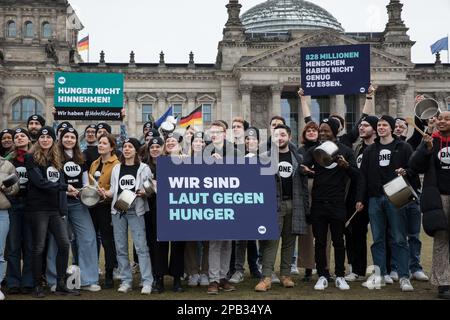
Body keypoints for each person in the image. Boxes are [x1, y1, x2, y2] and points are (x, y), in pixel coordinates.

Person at [356, 115, 417, 292]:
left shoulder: (403, 147)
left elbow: (414, 168)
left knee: (399, 237)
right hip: (375, 197)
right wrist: (360, 199)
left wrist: (405, 171)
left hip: (397, 193)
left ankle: (404, 276)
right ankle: (380, 274)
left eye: (385, 125)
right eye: (380, 125)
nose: (382, 127)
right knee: (377, 238)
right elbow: (363, 177)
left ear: (391, 128)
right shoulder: (369, 150)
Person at [302, 118, 358, 291]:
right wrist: (305, 169)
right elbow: (301, 166)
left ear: (335, 132)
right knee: (319, 241)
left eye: (326, 131)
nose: (323, 133)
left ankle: (340, 275)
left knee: (338, 241)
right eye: (321, 131)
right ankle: (322, 275)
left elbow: (356, 175)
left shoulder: (346, 151)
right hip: (318, 202)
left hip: (337, 203)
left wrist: (346, 167)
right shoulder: (314, 150)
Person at [24, 126, 79, 298]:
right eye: (42, 137)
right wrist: (64, 187)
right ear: (38, 139)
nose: (45, 140)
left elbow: (59, 184)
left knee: (64, 244)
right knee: (38, 247)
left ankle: (61, 283)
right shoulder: (30, 157)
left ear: (53, 140)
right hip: (38, 209)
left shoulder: (57, 159)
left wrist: (65, 196)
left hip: (55, 209)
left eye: (48, 137)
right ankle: (37, 285)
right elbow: (39, 183)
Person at [255, 124, 309, 292]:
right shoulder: (264, 157)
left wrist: (306, 207)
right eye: (277, 135)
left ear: (289, 137)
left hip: (294, 204)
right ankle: (266, 278)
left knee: (289, 242)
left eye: (283, 135)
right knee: (271, 242)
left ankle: (286, 275)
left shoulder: (298, 157)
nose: (280, 138)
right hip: (273, 205)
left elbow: (304, 185)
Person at [46, 127, 100, 292]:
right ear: (61, 139)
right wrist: (65, 188)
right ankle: (55, 280)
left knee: (88, 238)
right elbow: (51, 179)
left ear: (77, 140)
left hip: (78, 203)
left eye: (72, 137)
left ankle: (87, 279)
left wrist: (85, 190)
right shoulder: (53, 157)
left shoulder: (80, 157)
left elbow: (85, 181)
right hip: (59, 203)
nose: (69, 139)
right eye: (66, 136)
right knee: (57, 241)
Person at [99, 138, 154, 295]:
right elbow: (114, 191)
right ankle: (126, 280)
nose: (127, 149)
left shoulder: (144, 168)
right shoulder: (117, 168)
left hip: (136, 211)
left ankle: (147, 281)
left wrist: (144, 192)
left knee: (141, 247)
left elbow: (151, 190)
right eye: (125, 147)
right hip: (119, 211)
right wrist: (104, 193)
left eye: (130, 147)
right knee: (121, 248)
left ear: (136, 150)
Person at [409, 111, 450, 299]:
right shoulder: (430, 140)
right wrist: (425, 148)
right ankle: (443, 283)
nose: (442, 121)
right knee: (441, 240)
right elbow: (415, 166)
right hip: (438, 198)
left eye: (446, 119)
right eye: (440, 118)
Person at [344, 115, 378, 282]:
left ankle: (387, 270)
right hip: (358, 196)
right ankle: (357, 269)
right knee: (356, 234)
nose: (361, 128)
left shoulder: (381, 148)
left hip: (377, 195)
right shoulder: (357, 148)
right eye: (360, 125)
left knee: (384, 234)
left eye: (365, 125)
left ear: (374, 128)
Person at [152, 133, 186, 293]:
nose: (171, 142)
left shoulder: (187, 161)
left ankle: (177, 279)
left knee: (179, 245)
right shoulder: (160, 162)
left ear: (180, 145)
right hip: (163, 207)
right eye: (168, 141)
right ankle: (159, 279)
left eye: (174, 141)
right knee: (161, 245)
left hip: (181, 208)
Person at [89, 134, 120, 289]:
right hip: (93, 206)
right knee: (91, 239)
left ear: (112, 147)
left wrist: (106, 192)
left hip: (107, 207)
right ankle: (92, 272)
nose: (100, 145)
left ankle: (109, 273)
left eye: (104, 143)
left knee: (108, 241)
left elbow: (117, 187)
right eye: (99, 143)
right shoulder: (94, 163)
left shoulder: (116, 164)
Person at [5, 129, 34, 294]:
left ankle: (28, 281)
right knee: (14, 245)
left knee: (29, 244)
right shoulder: (8, 160)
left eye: (22, 135)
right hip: (14, 204)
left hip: (31, 205)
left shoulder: (35, 157)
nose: (19, 138)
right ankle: (13, 281)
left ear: (28, 139)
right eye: (16, 137)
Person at [185, 132, 210, 287]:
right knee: (190, 241)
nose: (199, 143)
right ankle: (193, 272)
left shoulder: (213, 161)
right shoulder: (184, 161)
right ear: (192, 144)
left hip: (208, 206)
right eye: (196, 141)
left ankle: (206, 273)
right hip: (190, 206)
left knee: (208, 241)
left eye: (202, 141)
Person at [143, 136, 165, 293]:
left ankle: (163, 276)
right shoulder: (145, 167)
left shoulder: (170, 163)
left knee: (163, 244)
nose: (155, 149)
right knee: (153, 244)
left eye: (158, 147)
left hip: (165, 209)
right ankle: (157, 278)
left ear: (163, 148)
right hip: (149, 209)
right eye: (152, 147)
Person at [0, 155, 20, 300]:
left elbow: (15, 188)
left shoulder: (7, 165)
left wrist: (5, 187)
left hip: (1, 212)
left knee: (0, 253)